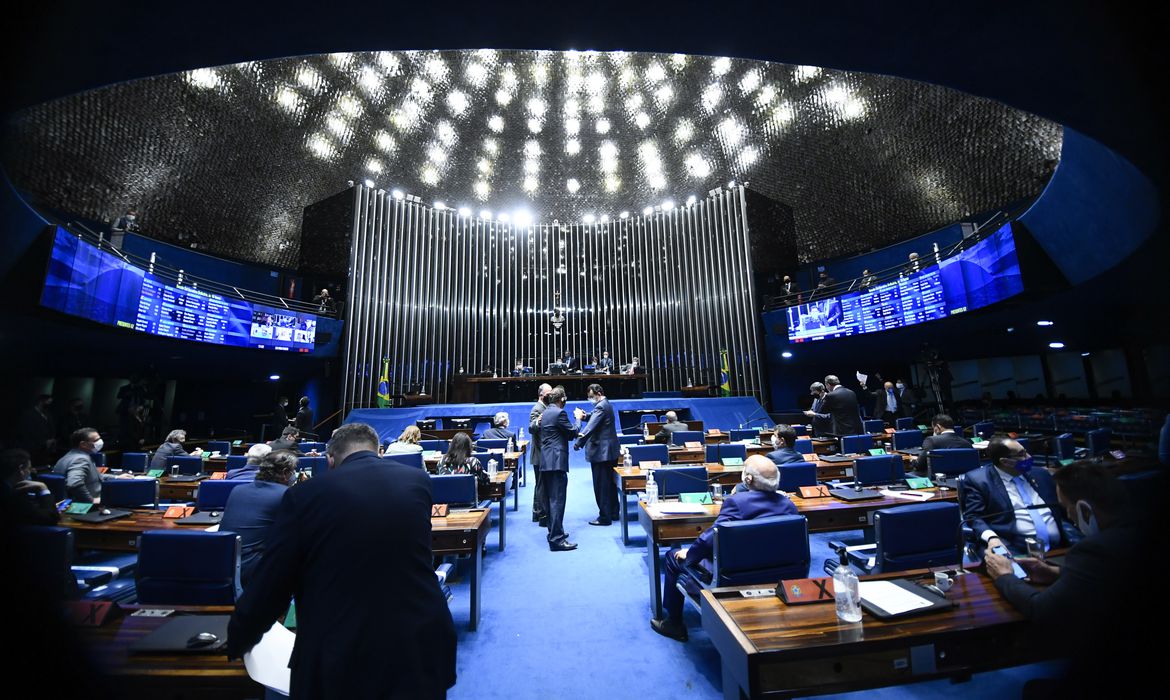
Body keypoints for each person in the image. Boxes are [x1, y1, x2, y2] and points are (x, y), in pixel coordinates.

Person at [226, 422, 456, 698]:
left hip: (340, 655)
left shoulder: (303, 495)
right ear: (379, 451)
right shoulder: (418, 481)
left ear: (330, 459)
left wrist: (237, 639)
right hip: (420, 645)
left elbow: (272, 584)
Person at [651, 456, 797, 641]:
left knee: (673, 557)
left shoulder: (737, 503)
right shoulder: (789, 505)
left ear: (748, 479)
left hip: (734, 577)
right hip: (779, 577)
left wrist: (690, 555)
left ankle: (673, 623)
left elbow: (708, 541)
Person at [960, 437, 1071, 556]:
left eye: (1025, 451)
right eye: (1021, 454)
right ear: (1005, 461)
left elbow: (1062, 509)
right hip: (1011, 545)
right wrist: (992, 538)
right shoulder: (979, 480)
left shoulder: (1041, 474)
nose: (1029, 457)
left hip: (1060, 546)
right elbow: (973, 517)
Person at [219, 449, 297, 587]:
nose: (294, 475)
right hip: (253, 571)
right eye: (293, 471)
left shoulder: (237, 490)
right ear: (285, 473)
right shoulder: (285, 494)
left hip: (223, 563)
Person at [574, 383, 620, 526]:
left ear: (599, 393)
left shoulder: (600, 406)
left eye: (592, 396)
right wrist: (585, 416)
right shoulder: (606, 404)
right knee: (610, 484)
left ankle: (604, 517)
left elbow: (590, 428)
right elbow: (596, 418)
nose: (590, 399)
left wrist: (578, 443)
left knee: (601, 486)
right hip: (610, 451)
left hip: (601, 453)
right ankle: (613, 512)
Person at [538, 386, 578, 551]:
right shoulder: (560, 413)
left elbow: (565, 435)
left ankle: (554, 532)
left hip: (546, 461)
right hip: (556, 462)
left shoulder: (546, 412)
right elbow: (573, 432)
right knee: (557, 501)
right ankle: (557, 540)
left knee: (549, 500)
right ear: (562, 399)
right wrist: (578, 418)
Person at [1, 448, 59, 525]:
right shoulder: (12, 498)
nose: (31, 471)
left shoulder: (7, 488)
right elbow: (51, 518)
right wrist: (44, 489)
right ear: (21, 469)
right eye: (29, 468)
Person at [51, 427, 106, 503]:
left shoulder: (70, 455)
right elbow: (74, 483)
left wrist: (116, 477)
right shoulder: (80, 459)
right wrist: (91, 500)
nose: (100, 442)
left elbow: (92, 476)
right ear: (83, 444)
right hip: (87, 507)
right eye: (96, 440)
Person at [528, 383, 551, 525]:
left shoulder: (545, 407)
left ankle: (537, 512)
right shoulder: (537, 409)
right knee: (541, 485)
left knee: (541, 484)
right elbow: (532, 427)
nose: (551, 395)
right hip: (540, 453)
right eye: (548, 393)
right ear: (541, 394)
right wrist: (538, 420)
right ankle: (540, 514)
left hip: (543, 453)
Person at [17, 394, 56, 466]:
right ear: (41, 402)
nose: (49, 405)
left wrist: (51, 440)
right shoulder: (29, 414)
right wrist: (43, 442)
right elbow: (28, 432)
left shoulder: (48, 414)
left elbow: (51, 428)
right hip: (33, 448)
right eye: (48, 402)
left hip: (45, 449)